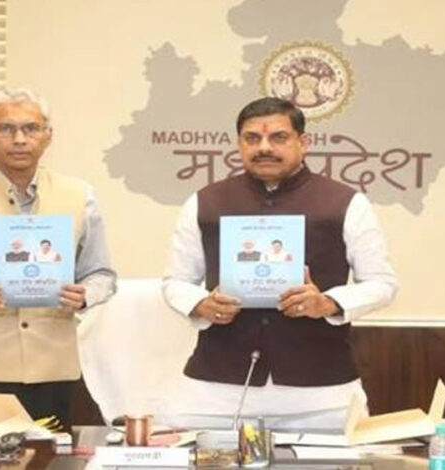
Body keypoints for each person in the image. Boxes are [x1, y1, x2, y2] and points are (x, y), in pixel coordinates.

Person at [162, 97, 398, 429]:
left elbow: (382, 283)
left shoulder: (346, 203)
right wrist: (201, 304)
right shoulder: (205, 202)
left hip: (323, 392)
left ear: (303, 142)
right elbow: (175, 281)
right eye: (252, 138)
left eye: (279, 137)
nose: (264, 147)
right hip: (216, 388)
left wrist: (327, 303)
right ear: (239, 143)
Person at [0, 88, 116, 426]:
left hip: (52, 370)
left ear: (48, 136)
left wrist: (85, 295)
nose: (20, 139)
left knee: (47, 454)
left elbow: (102, 274)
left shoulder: (79, 195)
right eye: (6, 129)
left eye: (31, 128)